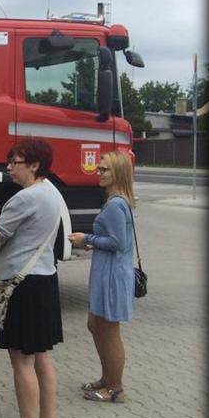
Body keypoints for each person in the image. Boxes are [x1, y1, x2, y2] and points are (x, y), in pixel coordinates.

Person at [0, 137, 64, 418]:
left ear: (34, 165)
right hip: (44, 281)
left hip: (21, 285)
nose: (9, 168)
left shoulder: (24, 199)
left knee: (21, 360)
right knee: (41, 356)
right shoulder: (51, 192)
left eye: (15, 162)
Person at [68, 150, 137, 404]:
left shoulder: (117, 204)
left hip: (112, 276)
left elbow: (118, 242)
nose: (99, 172)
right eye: (99, 168)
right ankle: (107, 378)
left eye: (104, 169)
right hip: (105, 273)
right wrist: (92, 242)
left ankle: (116, 388)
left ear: (118, 172)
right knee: (95, 325)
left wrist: (86, 239)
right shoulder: (116, 201)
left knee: (109, 331)